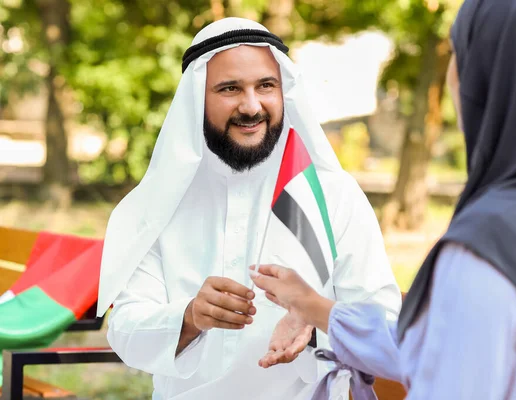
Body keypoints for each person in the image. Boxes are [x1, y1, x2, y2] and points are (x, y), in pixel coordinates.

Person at [250, 0, 516, 398]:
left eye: (458, 53)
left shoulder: (491, 248)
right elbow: (442, 341)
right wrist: (316, 307)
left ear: (484, 78)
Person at [95, 17, 402, 400]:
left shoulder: (332, 196)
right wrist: (190, 316)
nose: (251, 105)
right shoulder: (157, 205)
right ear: (197, 98)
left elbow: (384, 323)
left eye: (266, 86)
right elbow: (125, 331)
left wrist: (316, 319)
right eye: (229, 88)